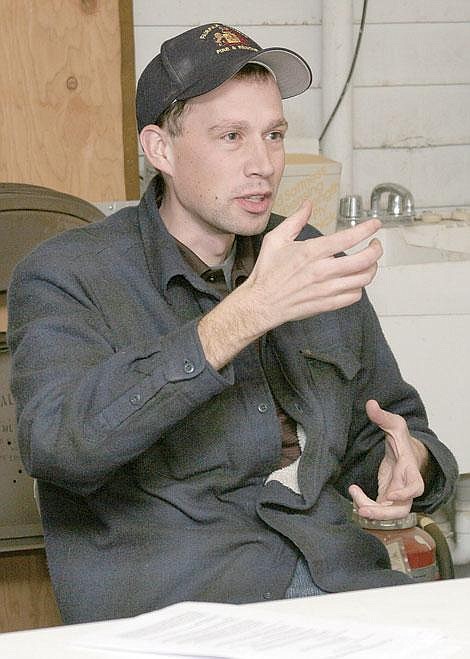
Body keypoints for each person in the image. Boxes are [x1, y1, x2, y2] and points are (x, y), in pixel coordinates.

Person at [8, 23, 458, 624]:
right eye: (230, 137)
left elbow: (388, 425)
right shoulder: (69, 273)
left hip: (336, 580)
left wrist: (408, 464)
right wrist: (242, 317)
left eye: (273, 135)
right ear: (160, 149)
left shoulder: (305, 255)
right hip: (182, 604)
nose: (263, 164)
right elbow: (58, 446)